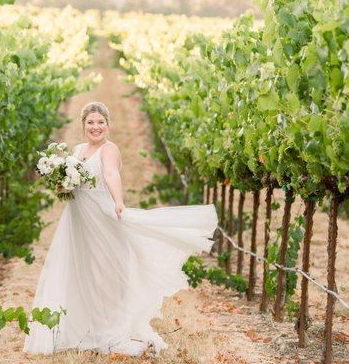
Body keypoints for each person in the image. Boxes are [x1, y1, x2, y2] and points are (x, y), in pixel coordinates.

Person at [23, 101, 218, 357]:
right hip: (78, 220)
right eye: (90, 122)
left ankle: (110, 328)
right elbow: (70, 185)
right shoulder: (78, 149)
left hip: (100, 217)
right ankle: (84, 327)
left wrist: (118, 201)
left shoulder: (109, 149)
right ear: (83, 125)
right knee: (81, 269)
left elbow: (112, 174)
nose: (96, 127)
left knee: (105, 272)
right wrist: (62, 185)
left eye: (100, 122)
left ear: (108, 125)